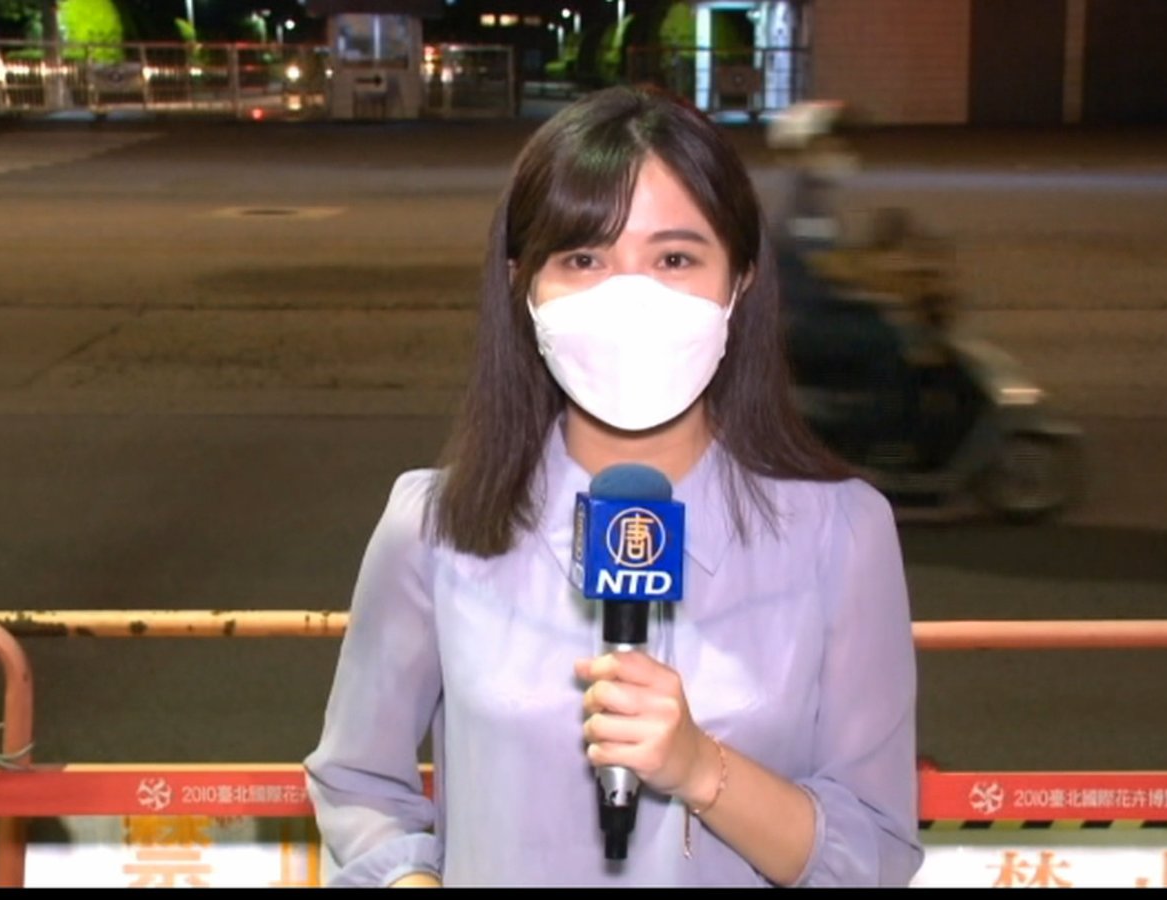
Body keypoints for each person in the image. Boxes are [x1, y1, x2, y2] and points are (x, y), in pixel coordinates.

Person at [304, 84, 923, 888]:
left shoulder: (842, 533)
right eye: (584, 260)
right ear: (524, 284)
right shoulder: (434, 526)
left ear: (739, 281)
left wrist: (702, 768)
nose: (630, 300)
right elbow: (357, 785)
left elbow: (875, 851)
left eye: (675, 259)